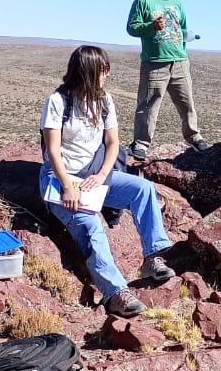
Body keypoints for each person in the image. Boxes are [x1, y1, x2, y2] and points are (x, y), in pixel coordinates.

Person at [40, 46, 176, 319]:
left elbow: (113, 143)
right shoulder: (58, 101)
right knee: (91, 225)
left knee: (143, 189)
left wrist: (102, 175)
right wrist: (68, 185)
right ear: (87, 70)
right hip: (61, 179)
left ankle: (152, 257)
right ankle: (115, 293)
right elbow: (52, 150)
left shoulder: (104, 101)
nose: (107, 73)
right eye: (102, 69)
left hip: (94, 176)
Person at [125, 0, 208, 162]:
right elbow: (131, 28)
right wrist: (151, 27)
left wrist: (182, 52)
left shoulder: (177, 2)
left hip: (179, 61)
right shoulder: (143, 1)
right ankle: (141, 143)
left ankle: (193, 135)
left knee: (187, 102)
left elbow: (183, 28)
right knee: (148, 105)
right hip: (155, 62)